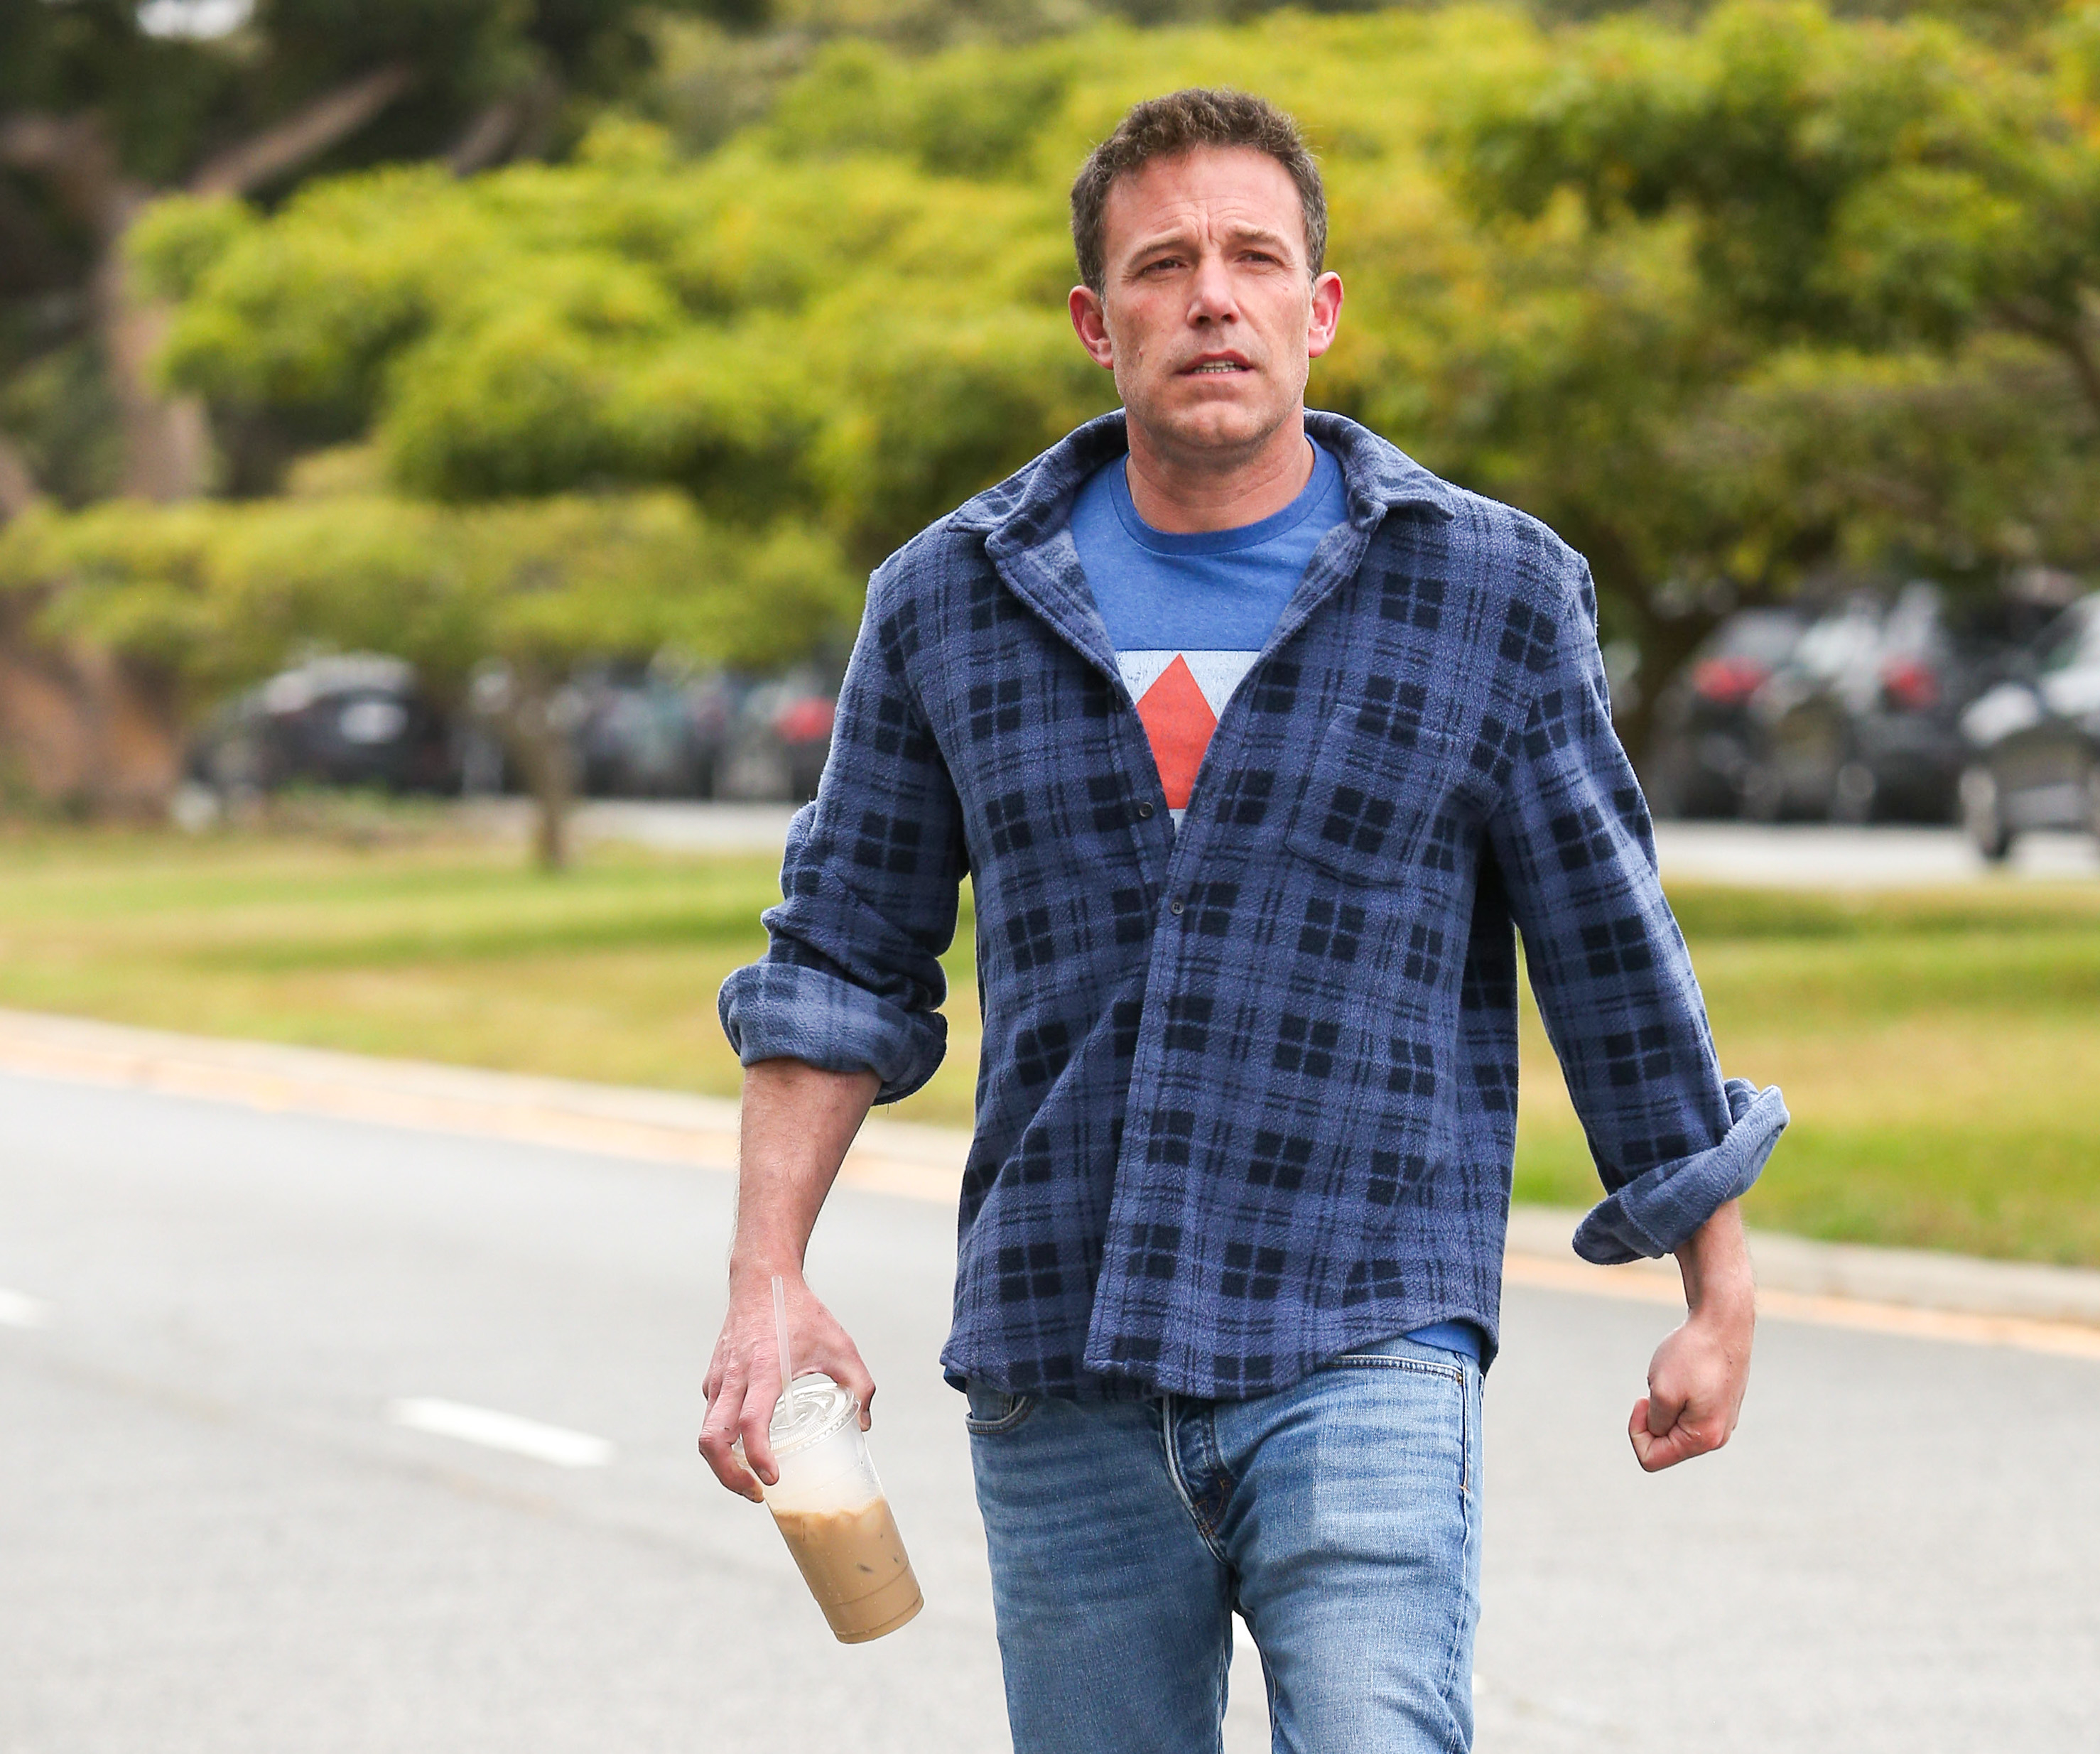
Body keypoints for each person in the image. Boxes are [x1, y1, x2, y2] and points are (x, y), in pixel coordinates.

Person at [700, 87, 1786, 1753]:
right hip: (1058, 1348)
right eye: (1162, 264)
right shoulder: (949, 600)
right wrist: (764, 1279)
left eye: (1252, 257)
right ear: (1095, 320)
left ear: (1316, 309)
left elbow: (1608, 944)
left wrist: (1713, 1284)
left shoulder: (1485, 590)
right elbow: (840, 955)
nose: (1210, 294)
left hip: (1362, 1321)